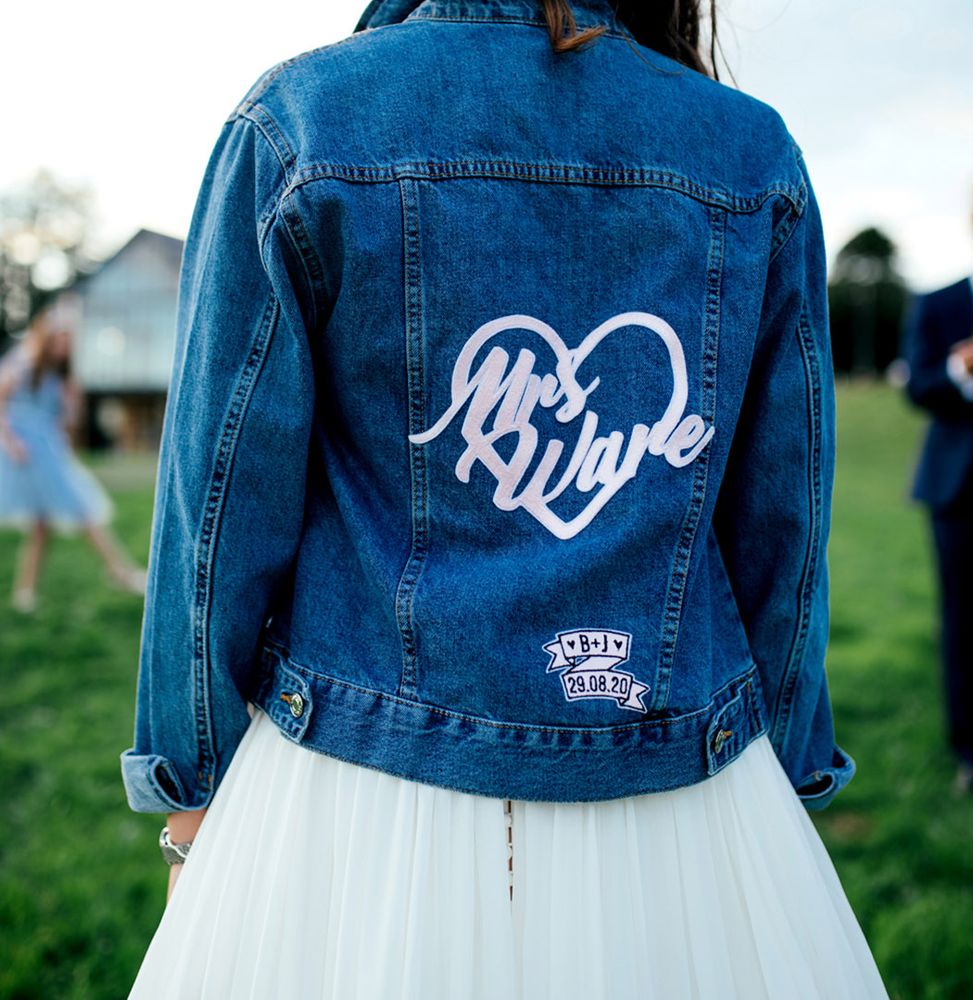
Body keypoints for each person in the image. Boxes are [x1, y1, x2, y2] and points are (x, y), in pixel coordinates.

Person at [121, 1, 891, 996]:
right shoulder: (749, 155)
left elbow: (216, 519)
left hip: (354, 790)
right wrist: (786, 780)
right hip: (679, 792)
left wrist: (189, 802)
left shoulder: (300, 122)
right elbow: (782, 530)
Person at [901, 171, 973, 795]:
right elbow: (916, 385)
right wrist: (957, 374)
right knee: (962, 626)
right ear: (971, 219)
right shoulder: (940, 302)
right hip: (961, 491)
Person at [0, 298, 147, 612]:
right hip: (27, 452)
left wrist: (72, 401)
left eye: (69, 339)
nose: (64, 345)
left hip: (50, 449)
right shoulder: (24, 364)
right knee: (83, 511)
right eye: (59, 338)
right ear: (47, 338)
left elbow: (68, 420)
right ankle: (120, 571)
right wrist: (10, 442)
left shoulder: (60, 375)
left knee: (42, 525)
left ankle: (24, 594)